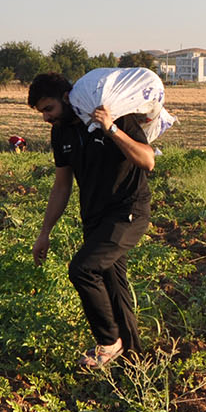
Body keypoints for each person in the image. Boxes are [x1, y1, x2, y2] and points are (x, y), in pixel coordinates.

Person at [27, 72, 155, 370]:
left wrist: (111, 129)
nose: (46, 117)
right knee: (114, 287)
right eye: (42, 112)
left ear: (67, 98)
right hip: (94, 217)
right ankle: (135, 361)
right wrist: (44, 232)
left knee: (83, 269)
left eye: (49, 109)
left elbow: (147, 160)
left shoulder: (116, 117)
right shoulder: (60, 132)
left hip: (128, 211)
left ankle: (109, 342)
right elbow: (62, 186)